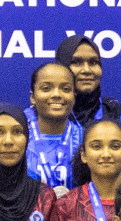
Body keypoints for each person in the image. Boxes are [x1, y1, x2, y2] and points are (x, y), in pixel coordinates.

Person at [26, 60, 81, 189]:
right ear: (32, 96)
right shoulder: (19, 137)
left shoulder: (86, 139)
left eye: (65, 89)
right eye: (46, 88)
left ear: (74, 96)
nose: (56, 94)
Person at [56, 35, 121, 126]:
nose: (87, 70)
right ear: (62, 67)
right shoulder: (40, 115)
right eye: (76, 62)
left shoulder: (118, 113)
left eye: (93, 62)